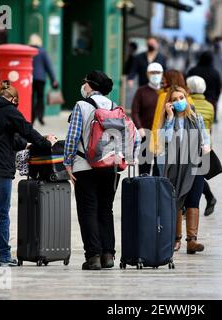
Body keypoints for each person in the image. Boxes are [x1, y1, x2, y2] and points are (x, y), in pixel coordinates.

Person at [0, 80, 57, 267]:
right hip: (0, 170)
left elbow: (11, 139)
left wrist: (27, 144)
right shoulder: (9, 110)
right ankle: (4, 257)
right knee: (2, 214)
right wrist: (46, 142)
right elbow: (28, 130)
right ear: (13, 99)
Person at [64, 71, 140, 270]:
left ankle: (93, 257)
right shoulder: (116, 107)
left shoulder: (81, 106)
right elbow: (135, 137)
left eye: (85, 83)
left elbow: (72, 137)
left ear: (89, 85)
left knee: (88, 210)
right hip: (111, 167)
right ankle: (108, 255)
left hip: (84, 166)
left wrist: (67, 163)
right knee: (106, 210)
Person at [160, 86, 211, 254]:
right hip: (175, 165)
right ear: (170, 103)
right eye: (175, 99)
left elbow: (205, 137)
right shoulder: (169, 120)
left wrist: (206, 146)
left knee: (193, 200)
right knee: (176, 200)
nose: (179, 101)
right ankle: (176, 239)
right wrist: (170, 116)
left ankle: (192, 240)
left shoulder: (196, 117)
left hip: (195, 164)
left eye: (181, 97)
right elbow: (165, 139)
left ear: (186, 98)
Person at [150, 70, 194, 175]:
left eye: (165, 78)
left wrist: (155, 143)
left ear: (170, 79)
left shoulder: (164, 96)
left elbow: (158, 121)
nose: (162, 80)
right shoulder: (187, 96)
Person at [186, 75, 217, 216]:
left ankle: (206, 198)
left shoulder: (187, 103)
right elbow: (209, 126)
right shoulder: (210, 106)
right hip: (206, 144)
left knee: (191, 175)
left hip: (190, 144)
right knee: (198, 174)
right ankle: (209, 197)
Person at [131, 62, 163, 175]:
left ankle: (156, 191)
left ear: (162, 74)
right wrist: (140, 128)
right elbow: (135, 112)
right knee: (144, 167)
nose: (155, 75)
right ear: (147, 74)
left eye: (158, 72)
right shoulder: (141, 91)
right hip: (146, 134)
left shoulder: (165, 92)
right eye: (152, 72)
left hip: (161, 136)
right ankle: (143, 190)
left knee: (159, 168)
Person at [28, 34, 59, 126]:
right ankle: (40, 117)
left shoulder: (28, 51)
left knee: (31, 98)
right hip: (41, 79)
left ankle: (31, 118)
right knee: (40, 98)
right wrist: (53, 79)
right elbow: (48, 66)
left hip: (30, 78)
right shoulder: (42, 51)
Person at [187, 51, 222, 123]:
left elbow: (187, 84)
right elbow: (218, 88)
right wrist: (216, 98)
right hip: (210, 101)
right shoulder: (215, 73)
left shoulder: (193, 70)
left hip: (193, 101)